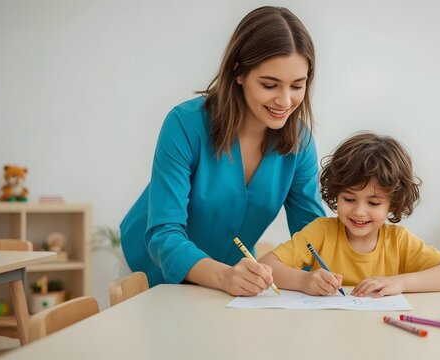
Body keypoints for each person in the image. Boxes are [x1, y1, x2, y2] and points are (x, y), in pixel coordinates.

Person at [120, 6, 325, 296]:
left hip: (233, 280)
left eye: (298, 85)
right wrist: (225, 277)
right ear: (238, 72)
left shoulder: (300, 141)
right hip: (149, 273)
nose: (285, 100)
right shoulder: (185, 125)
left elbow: (314, 237)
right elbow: (164, 233)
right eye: (269, 85)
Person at [259, 132, 440, 297]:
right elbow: (267, 265)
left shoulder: (399, 241)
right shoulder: (320, 231)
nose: (359, 212)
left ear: (393, 202)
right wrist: (304, 281)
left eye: (374, 202)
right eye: (349, 199)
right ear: (336, 194)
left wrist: (400, 282)